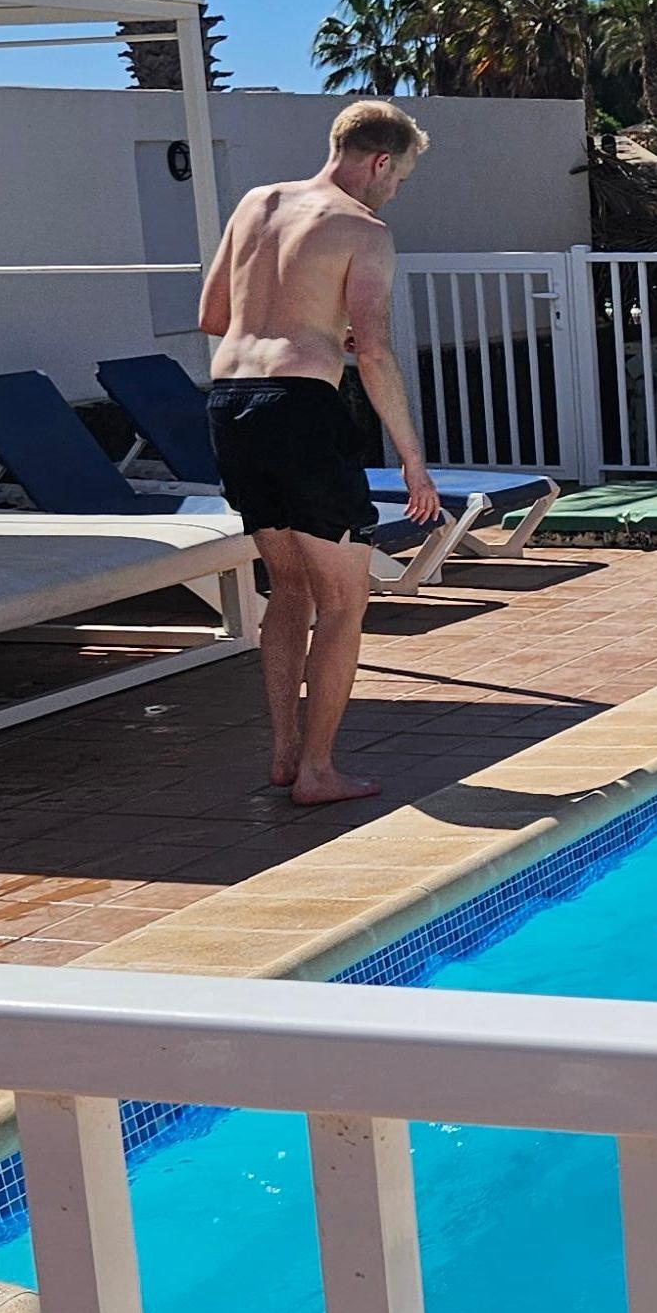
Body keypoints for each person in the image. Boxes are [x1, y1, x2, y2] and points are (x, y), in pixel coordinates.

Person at [198, 99, 443, 805]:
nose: (395, 190)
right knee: (344, 599)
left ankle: (282, 755)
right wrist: (412, 457)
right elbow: (373, 350)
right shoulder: (364, 229)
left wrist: (294, 322)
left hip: (230, 405)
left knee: (288, 589)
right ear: (378, 161)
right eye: (399, 177)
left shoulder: (255, 203)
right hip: (301, 411)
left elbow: (213, 317)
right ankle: (318, 771)